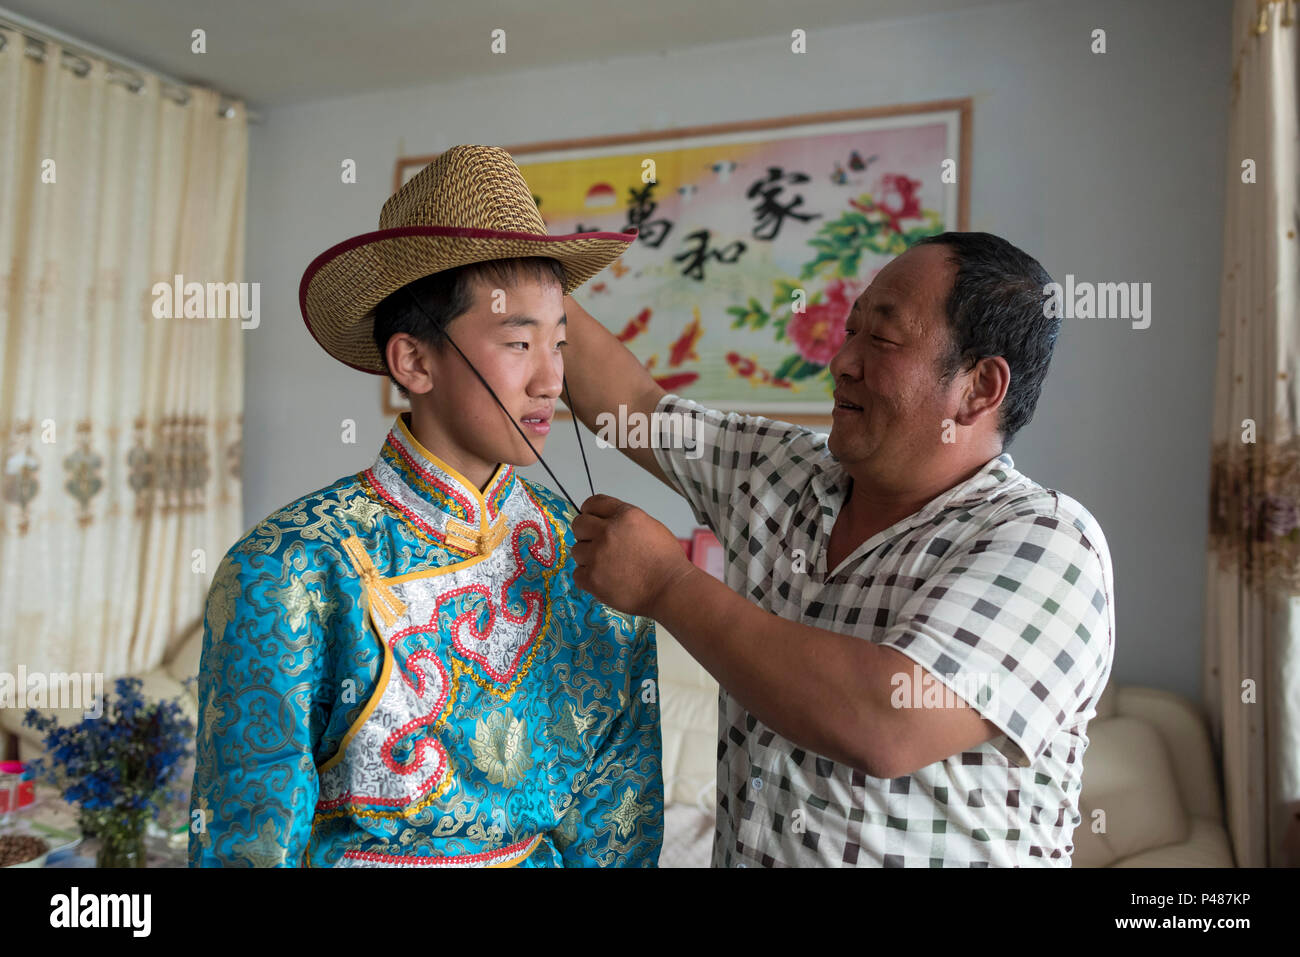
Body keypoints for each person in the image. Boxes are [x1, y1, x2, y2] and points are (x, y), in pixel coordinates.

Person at [563, 232, 1115, 866]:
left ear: (979, 388)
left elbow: (886, 721)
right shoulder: (782, 473)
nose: (843, 362)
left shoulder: (1047, 545)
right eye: (850, 333)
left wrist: (665, 585)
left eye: (880, 340)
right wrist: (525, 285)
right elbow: (633, 407)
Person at [189, 145, 663, 867]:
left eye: (560, 344)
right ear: (414, 361)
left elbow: (620, 824)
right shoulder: (288, 569)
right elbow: (246, 845)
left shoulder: (600, 561)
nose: (550, 380)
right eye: (518, 342)